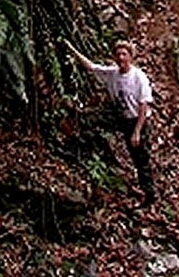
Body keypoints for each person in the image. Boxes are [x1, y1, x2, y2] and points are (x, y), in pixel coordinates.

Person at [66, 37, 156, 207]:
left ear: (130, 56)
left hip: (138, 121)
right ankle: (83, 141)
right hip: (119, 117)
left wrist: (137, 132)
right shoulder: (112, 73)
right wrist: (71, 49)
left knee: (140, 159)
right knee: (90, 119)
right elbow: (91, 67)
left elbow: (144, 105)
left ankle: (149, 196)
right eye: (118, 54)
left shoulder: (138, 77)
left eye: (124, 54)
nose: (121, 57)